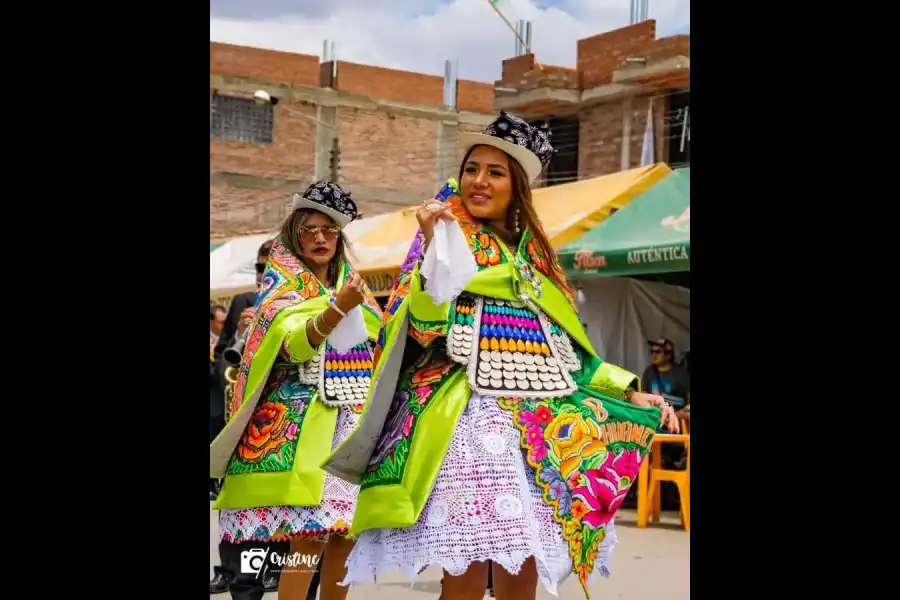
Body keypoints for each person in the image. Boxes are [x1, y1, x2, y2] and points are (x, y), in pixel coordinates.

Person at [325, 113, 678, 600]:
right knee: (467, 569)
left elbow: (568, 350)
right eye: (472, 169)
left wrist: (629, 390)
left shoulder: (537, 259)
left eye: (495, 172)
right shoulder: (445, 236)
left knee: (523, 571)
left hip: (537, 425)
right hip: (467, 420)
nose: (479, 181)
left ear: (517, 186)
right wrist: (432, 250)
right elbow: (424, 327)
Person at [210, 181, 384, 600]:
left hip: (354, 426)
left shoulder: (353, 285)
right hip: (306, 430)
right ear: (294, 235)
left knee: (345, 536)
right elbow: (293, 345)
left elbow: (381, 339)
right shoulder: (280, 293)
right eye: (310, 229)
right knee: (309, 540)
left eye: (330, 230)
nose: (321, 238)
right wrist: (339, 307)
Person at [210, 241, 286, 596]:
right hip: (241, 414)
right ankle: (232, 571)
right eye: (258, 268)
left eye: (268, 266)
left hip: (281, 414)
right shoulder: (243, 301)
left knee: (279, 505)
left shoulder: (296, 298)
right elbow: (224, 354)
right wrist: (242, 335)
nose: (262, 274)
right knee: (237, 504)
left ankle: (277, 567)